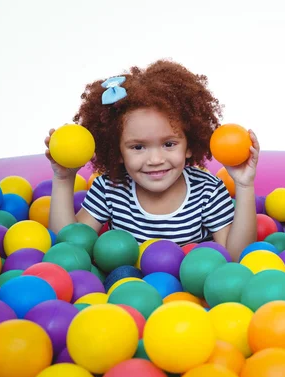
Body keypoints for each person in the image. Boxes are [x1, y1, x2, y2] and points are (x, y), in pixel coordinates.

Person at [45, 59, 259, 262]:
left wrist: (244, 185)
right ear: (117, 151)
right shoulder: (109, 189)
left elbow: (236, 256)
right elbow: (68, 248)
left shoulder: (207, 191)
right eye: (138, 147)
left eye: (169, 144)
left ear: (190, 144)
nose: (155, 159)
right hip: (123, 291)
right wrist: (63, 178)